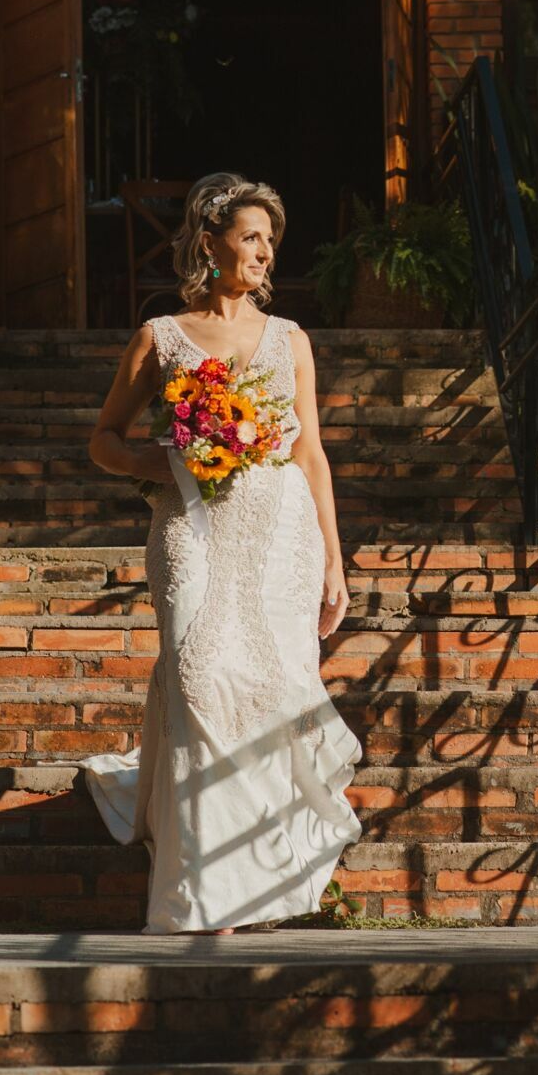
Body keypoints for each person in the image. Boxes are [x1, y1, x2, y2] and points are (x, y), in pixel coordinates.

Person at [78, 171, 361, 934]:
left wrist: (335, 560)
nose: (265, 252)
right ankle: (198, 890)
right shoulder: (160, 336)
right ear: (211, 244)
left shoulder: (291, 340)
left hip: (279, 536)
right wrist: (166, 462)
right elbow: (104, 440)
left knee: (266, 688)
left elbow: (312, 454)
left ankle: (252, 882)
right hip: (188, 528)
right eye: (251, 237)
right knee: (199, 674)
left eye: (271, 240)